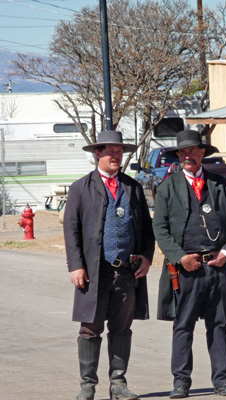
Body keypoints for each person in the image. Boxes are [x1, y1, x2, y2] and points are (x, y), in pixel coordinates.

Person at [63, 130, 155, 400]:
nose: (116, 155)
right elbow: (72, 230)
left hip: (126, 271)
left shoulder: (133, 187)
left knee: (122, 327)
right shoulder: (81, 187)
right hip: (94, 271)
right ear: (97, 153)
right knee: (89, 329)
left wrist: (147, 257)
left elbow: (147, 230)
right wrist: (76, 266)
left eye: (119, 151)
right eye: (110, 151)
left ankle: (118, 383)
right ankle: (87, 386)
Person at [153, 130, 226, 399]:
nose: (187, 156)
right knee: (183, 325)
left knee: (218, 325)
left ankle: (222, 381)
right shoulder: (167, 187)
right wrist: (180, 257)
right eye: (182, 152)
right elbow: (160, 228)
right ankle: (181, 382)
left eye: (192, 150)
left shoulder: (220, 184)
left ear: (202, 153)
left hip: (216, 267)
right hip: (184, 269)